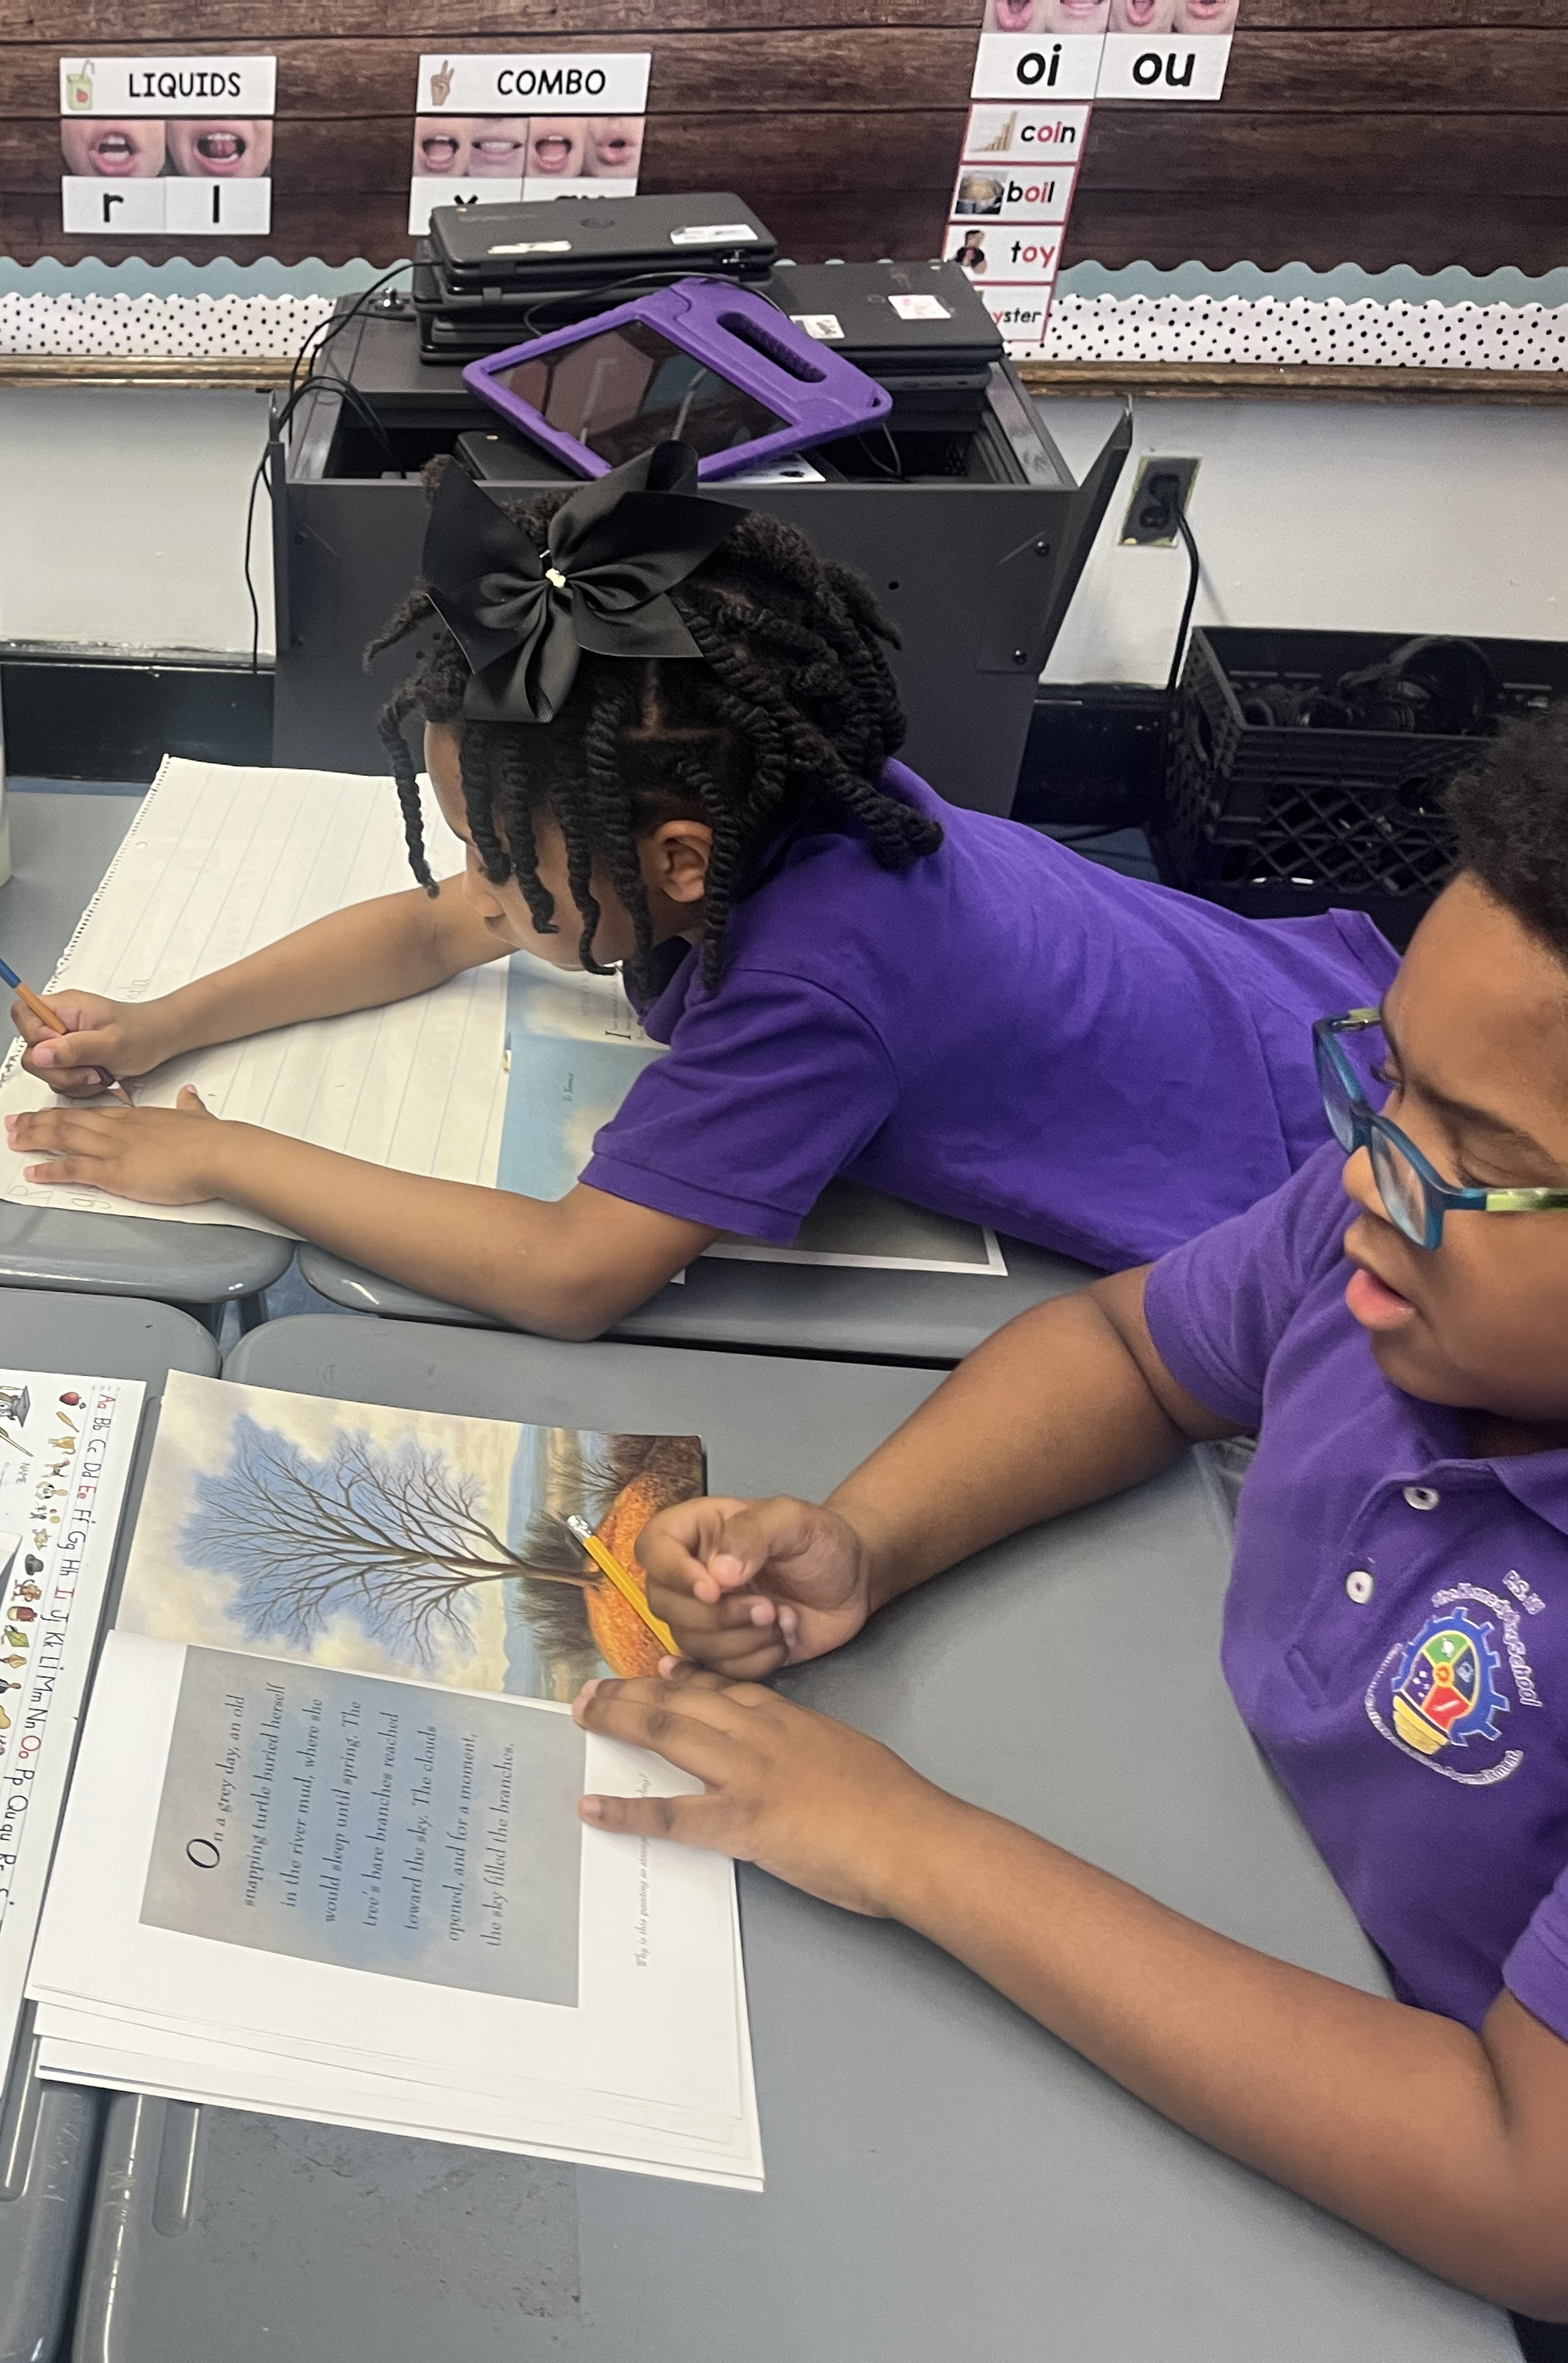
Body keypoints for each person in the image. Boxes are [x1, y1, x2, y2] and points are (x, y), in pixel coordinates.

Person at [584, 706, 1568, 2346]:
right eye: (1387, 1077)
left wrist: (913, 1846)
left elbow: (1526, 2193)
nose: (1371, 1170)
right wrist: (866, 1538)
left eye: (1477, 1156)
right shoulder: (1378, 1241)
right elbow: (1135, 1347)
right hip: (1244, 1905)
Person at [3, 449, 1396, 1338]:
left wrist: (221, 1156)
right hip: (1306, 1006)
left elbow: (570, 1273)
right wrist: (157, 1025)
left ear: (671, 861)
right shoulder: (766, 790)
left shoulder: (806, 987)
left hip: (1318, 1178)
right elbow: (439, 928)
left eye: (500, 854)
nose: (475, 885)